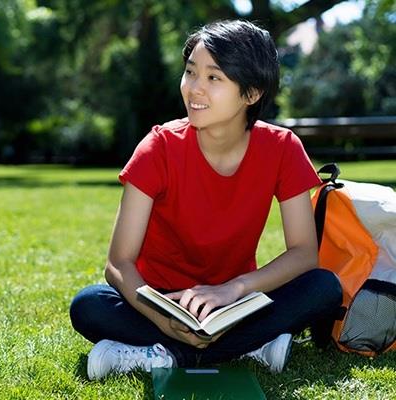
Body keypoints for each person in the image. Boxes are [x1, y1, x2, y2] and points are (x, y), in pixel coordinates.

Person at [69, 19, 343, 381]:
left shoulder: (282, 149)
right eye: (190, 72)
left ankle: (163, 355)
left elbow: (304, 253)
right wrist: (164, 320)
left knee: (324, 287)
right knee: (88, 305)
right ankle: (249, 346)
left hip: (236, 303)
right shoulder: (158, 147)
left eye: (214, 78)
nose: (194, 89)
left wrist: (234, 289)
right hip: (160, 299)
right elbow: (119, 263)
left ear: (251, 93)